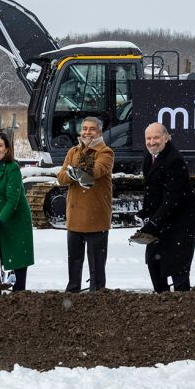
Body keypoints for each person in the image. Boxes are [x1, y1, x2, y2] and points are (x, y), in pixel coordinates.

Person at [136, 122, 195, 293]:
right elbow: (152, 189)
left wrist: (153, 223)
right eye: (148, 138)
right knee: (154, 261)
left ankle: (182, 303)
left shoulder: (174, 160)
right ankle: (162, 299)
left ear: (166, 137)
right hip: (161, 218)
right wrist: (146, 211)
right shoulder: (150, 156)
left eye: (156, 137)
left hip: (181, 220)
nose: (151, 142)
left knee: (178, 264)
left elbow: (173, 198)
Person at [56, 117, 114, 292]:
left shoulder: (105, 152)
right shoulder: (72, 151)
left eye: (92, 129)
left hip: (96, 218)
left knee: (96, 266)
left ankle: (96, 295)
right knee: (74, 262)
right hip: (74, 219)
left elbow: (95, 172)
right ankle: (72, 293)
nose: (88, 132)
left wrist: (75, 170)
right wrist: (73, 174)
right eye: (85, 128)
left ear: (99, 132)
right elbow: (61, 178)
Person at [0, 131, 34, 292]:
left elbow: (13, 199)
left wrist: (0, 221)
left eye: (0, 145)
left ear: (7, 149)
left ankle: (18, 297)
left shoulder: (12, 168)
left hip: (16, 218)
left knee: (16, 259)